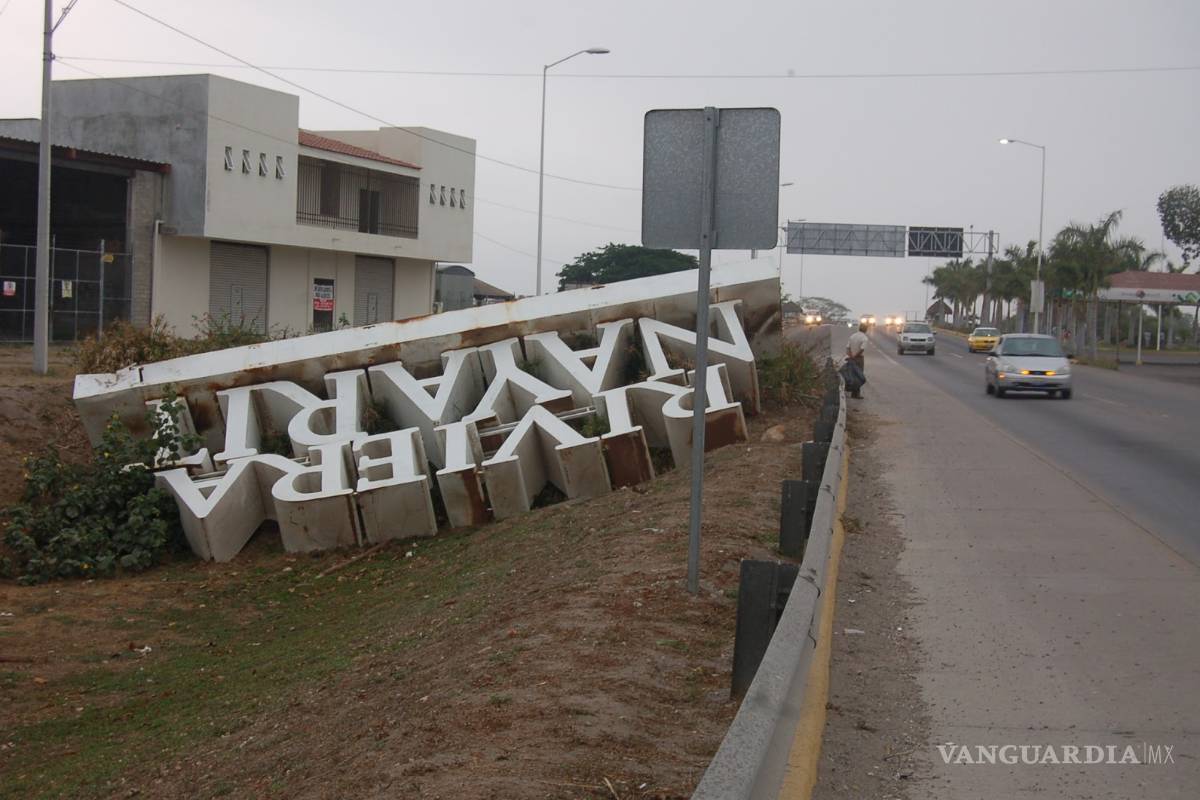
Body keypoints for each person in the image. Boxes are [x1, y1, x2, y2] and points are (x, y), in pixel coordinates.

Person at [846, 322, 869, 398]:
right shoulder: (864, 338)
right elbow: (862, 349)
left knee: (852, 374)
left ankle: (853, 393)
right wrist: (855, 356)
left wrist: (851, 355)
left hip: (851, 358)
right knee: (859, 375)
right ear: (866, 329)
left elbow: (848, 348)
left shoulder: (852, 336)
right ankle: (857, 393)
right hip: (859, 359)